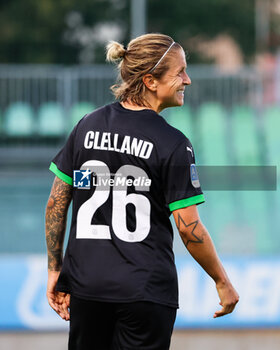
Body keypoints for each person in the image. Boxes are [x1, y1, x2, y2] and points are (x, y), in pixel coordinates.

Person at [45, 33, 239, 350]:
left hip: (86, 289)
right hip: (145, 293)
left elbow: (56, 202)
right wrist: (222, 281)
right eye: (180, 72)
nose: (187, 80)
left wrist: (55, 270)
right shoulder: (173, 143)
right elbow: (188, 229)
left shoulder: (86, 126)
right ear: (150, 80)